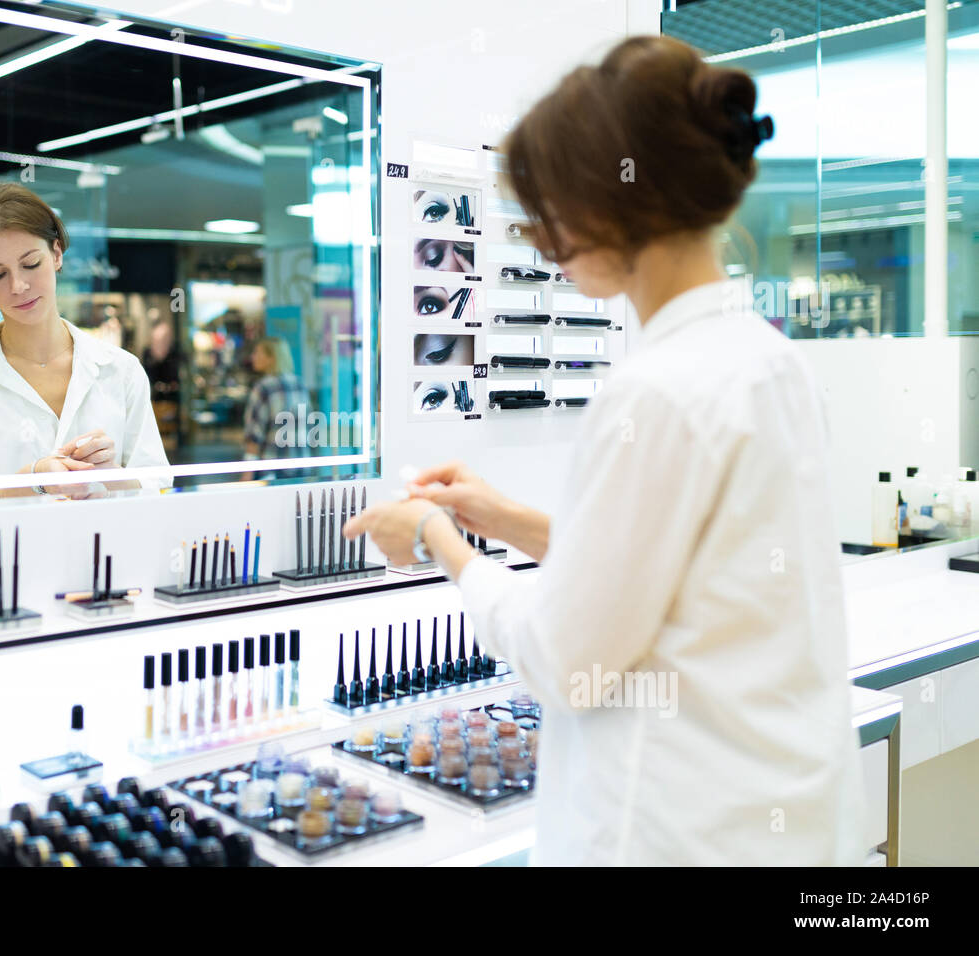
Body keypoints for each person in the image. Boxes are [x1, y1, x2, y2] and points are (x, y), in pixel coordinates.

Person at [345, 35, 867, 866]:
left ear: (603, 204)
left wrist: (440, 544)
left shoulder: (657, 390)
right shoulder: (769, 362)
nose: (544, 240)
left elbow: (564, 659)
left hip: (672, 829)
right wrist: (502, 517)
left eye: (547, 215)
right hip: (778, 819)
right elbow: (677, 572)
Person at [0, 182, 170, 505]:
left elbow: (159, 491)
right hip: (8, 556)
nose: (19, 285)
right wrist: (34, 479)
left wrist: (111, 473)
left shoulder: (121, 370)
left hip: (104, 554)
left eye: (30, 264)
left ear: (56, 254)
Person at [243, 336, 312, 466]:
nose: (253, 357)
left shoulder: (263, 388)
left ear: (271, 358)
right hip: (301, 466)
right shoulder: (299, 384)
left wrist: (248, 472)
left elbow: (254, 435)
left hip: (272, 469)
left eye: (257, 352)